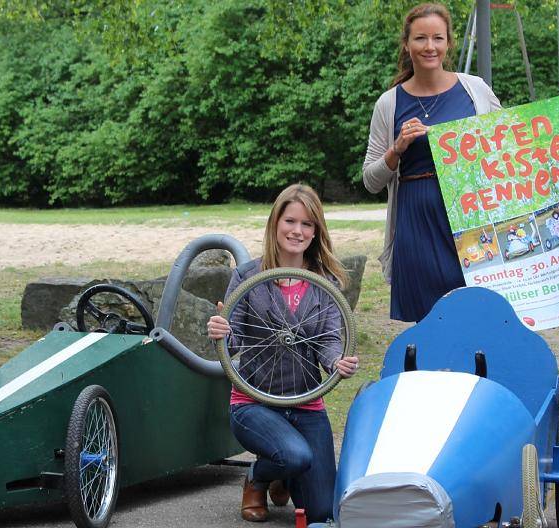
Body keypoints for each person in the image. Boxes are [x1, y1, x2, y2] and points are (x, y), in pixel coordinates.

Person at [206, 184, 359, 523]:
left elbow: (329, 340)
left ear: (316, 231)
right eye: (290, 221)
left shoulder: (326, 282)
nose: (297, 231)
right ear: (275, 223)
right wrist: (221, 332)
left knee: (321, 511)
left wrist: (337, 361)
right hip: (253, 403)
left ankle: (283, 472)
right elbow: (232, 346)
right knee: (295, 454)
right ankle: (258, 477)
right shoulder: (247, 276)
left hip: (306, 403)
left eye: (307, 224)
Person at [363, 2, 502, 322]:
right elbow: (371, 180)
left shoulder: (475, 90)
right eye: (421, 38)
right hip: (417, 226)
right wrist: (396, 148)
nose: (430, 47)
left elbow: (506, 145)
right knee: (428, 324)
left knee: (475, 316)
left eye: (437, 38)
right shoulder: (390, 102)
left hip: (470, 219)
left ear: (449, 43)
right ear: (407, 44)